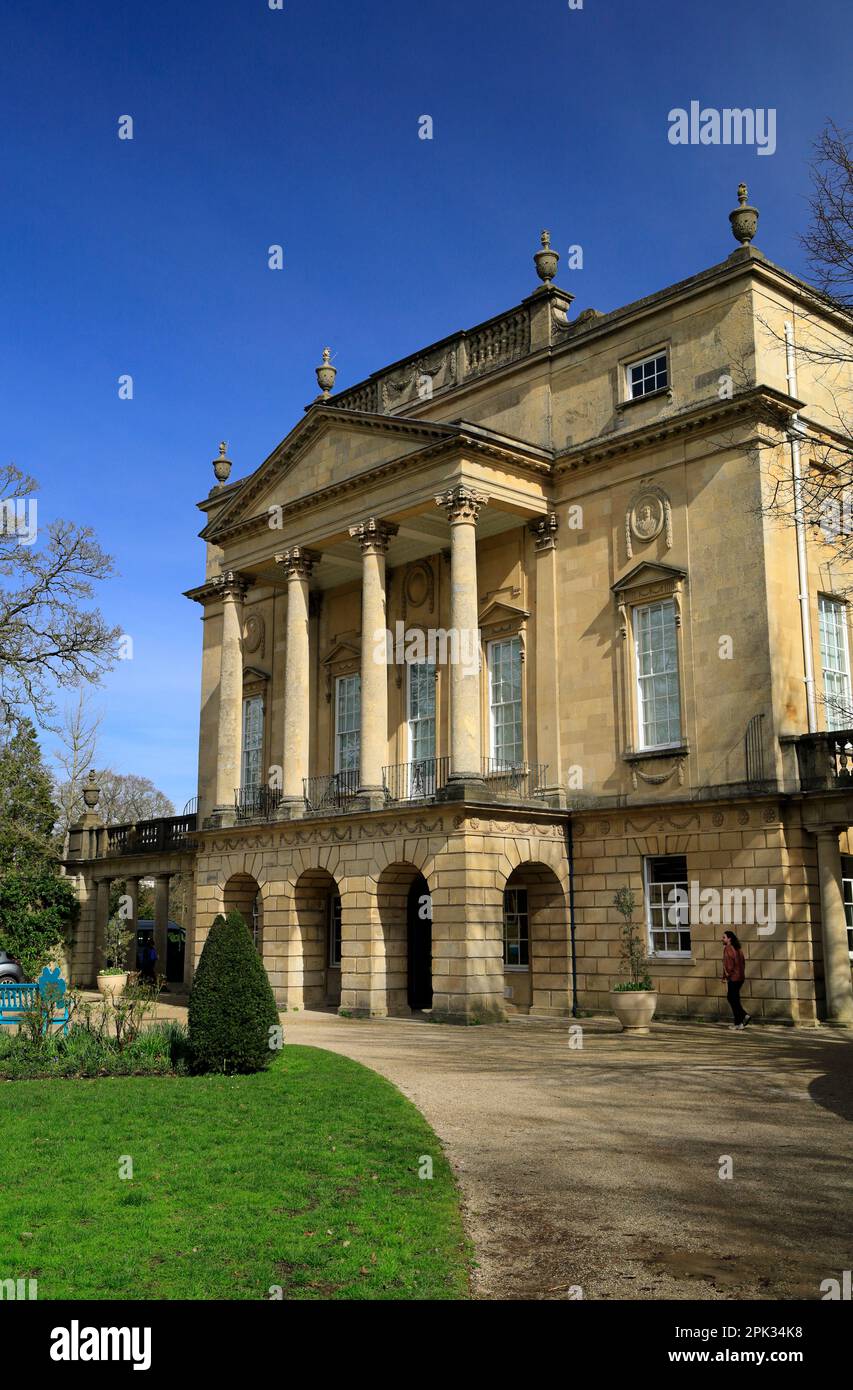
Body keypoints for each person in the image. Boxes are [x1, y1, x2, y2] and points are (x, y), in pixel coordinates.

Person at [722, 930, 750, 1030]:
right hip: (740, 977)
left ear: (729, 939)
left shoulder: (728, 948)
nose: (722, 939)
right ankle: (739, 1024)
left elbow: (728, 965)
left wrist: (727, 976)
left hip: (733, 977)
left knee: (731, 998)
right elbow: (743, 962)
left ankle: (744, 1015)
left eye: (724, 937)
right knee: (734, 999)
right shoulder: (738, 948)